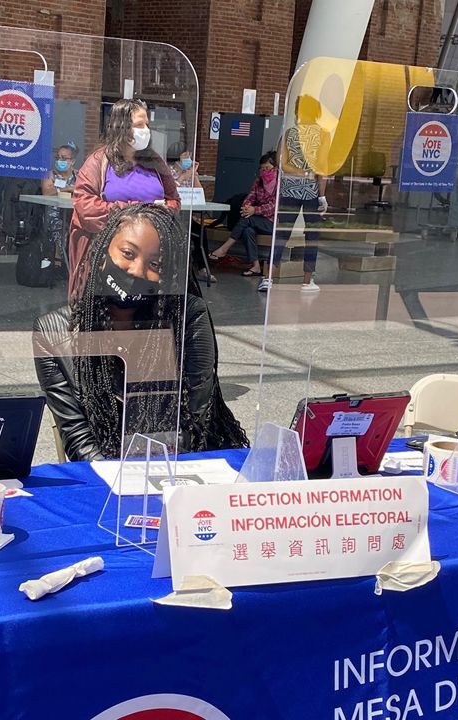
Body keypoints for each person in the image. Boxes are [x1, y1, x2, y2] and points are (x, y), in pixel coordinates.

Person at [34, 204, 248, 461]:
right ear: (101, 254)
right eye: (128, 253)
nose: (137, 270)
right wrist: (118, 476)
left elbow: (194, 421)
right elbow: (78, 437)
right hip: (107, 471)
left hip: (183, 465)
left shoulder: (188, 317)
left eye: (155, 264)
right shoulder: (53, 332)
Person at [67, 98, 180, 300]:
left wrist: (161, 213)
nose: (146, 130)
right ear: (122, 126)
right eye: (139, 125)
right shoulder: (98, 161)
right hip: (109, 258)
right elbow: (85, 206)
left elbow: (173, 200)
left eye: (147, 125)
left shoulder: (155, 162)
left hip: (151, 258)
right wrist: (135, 212)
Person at [261, 94, 329, 294]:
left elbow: (281, 163)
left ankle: (268, 278)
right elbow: (322, 168)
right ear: (317, 112)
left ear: (298, 112)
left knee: (281, 234)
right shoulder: (323, 135)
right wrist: (322, 195)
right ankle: (307, 281)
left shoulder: (289, 134)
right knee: (312, 236)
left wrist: (298, 172)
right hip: (311, 191)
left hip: (288, 189)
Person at [208, 151, 277, 278]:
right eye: (262, 169)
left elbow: (274, 207)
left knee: (248, 220)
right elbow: (250, 196)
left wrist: (254, 210)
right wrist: (247, 207)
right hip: (257, 219)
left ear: (275, 167)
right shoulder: (259, 182)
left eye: (267, 168)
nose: (265, 172)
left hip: (272, 222)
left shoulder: (280, 184)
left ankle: (224, 249)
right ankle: (255, 266)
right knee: (247, 231)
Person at [40, 143, 78, 267]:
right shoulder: (50, 175)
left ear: (72, 161)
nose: (60, 160)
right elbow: (47, 192)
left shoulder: (79, 176)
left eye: (64, 158)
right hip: (54, 214)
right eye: (57, 157)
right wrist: (68, 188)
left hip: (72, 214)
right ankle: (61, 262)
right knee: (60, 229)